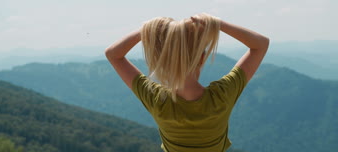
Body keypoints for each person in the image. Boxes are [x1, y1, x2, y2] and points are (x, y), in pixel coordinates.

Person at [105, 13, 269, 152]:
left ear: (164, 61)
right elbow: (260, 45)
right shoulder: (222, 96)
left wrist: (148, 30)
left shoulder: (157, 100)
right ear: (202, 58)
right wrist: (217, 24)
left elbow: (113, 54)